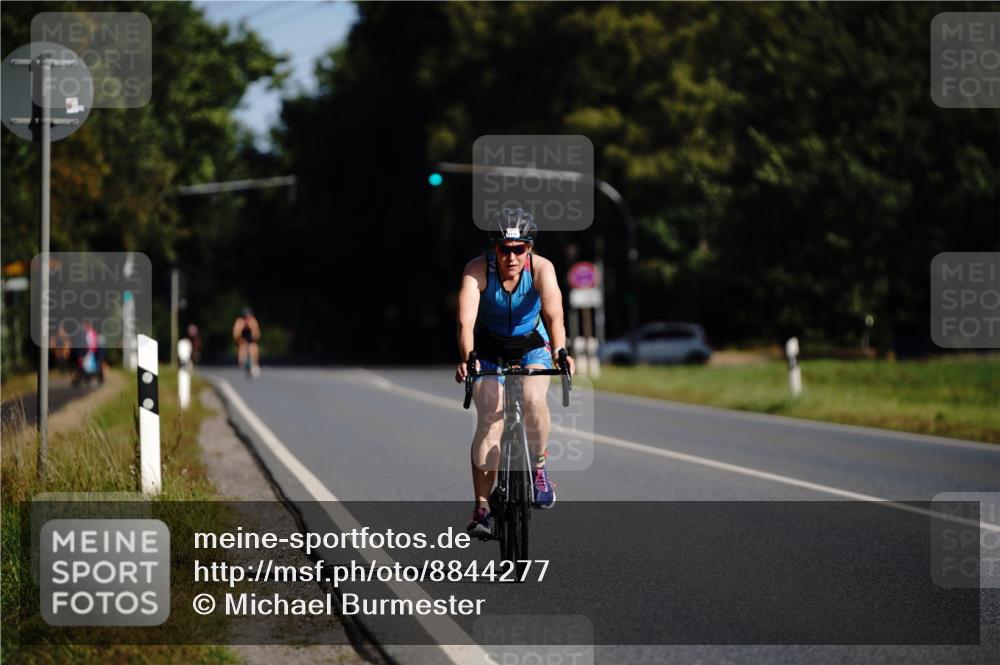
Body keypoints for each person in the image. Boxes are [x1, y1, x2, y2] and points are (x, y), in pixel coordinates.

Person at [454, 208, 575, 537]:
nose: (511, 256)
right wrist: (469, 357)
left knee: (534, 399)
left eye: (518, 249)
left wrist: (562, 351)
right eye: (504, 249)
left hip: (531, 343)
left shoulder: (542, 269)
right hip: (489, 347)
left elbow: (554, 315)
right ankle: (482, 507)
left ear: (529, 248)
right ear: (494, 248)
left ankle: (538, 469)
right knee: (490, 417)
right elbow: (465, 321)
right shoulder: (477, 270)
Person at [232, 307, 261, 377]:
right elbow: (236, 333)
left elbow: (257, 333)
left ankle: (255, 364)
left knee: (254, 348)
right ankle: (242, 363)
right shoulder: (239, 321)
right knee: (242, 348)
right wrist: (240, 339)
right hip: (242, 340)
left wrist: (254, 335)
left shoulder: (253, 321)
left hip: (251, 340)